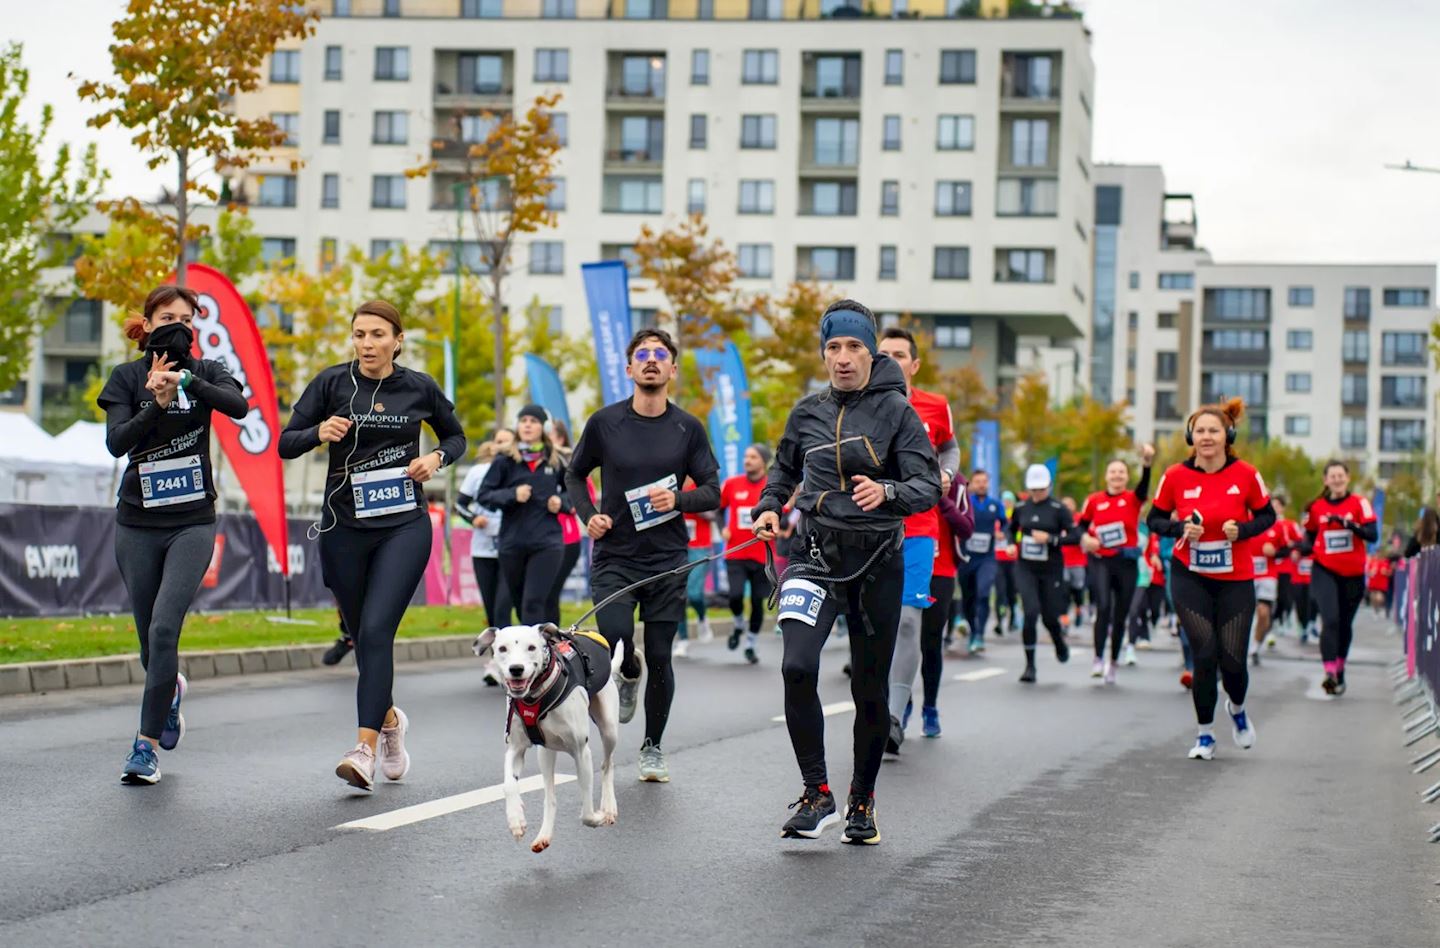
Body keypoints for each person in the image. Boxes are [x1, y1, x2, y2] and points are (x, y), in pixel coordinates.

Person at [752, 299, 939, 845]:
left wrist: (889, 491)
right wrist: (769, 505)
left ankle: (862, 800)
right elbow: (784, 470)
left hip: (878, 559)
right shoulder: (806, 411)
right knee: (796, 667)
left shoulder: (897, 413)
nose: (842, 357)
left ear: (871, 351)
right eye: (833, 347)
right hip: (813, 553)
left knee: (869, 688)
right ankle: (817, 794)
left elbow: (926, 485)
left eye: (854, 346)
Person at [280, 300, 466, 790]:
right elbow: (285, 442)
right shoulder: (330, 383)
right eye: (359, 334)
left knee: (378, 629)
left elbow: (456, 435)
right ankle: (390, 723)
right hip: (344, 525)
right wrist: (318, 431)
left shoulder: (419, 387)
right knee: (364, 636)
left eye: (377, 334)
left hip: (402, 524)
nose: (367, 344)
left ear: (397, 340)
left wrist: (437, 458)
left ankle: (361, 749)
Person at [99, 285, 249, 785]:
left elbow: (239, 406)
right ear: (147, 321)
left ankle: (143, 749)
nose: (177, 325)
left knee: (166, 629)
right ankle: (170, 692)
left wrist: (187, 382)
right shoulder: (126, 377)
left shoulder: (205, 371)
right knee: (149, 642)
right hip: (137, 523)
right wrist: (156, 404)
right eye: (167, 316)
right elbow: (117, 443)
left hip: (191, 521)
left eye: (187, 319)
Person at [565, 328, 720, 783]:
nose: (651, 361)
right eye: (642, 355)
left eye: (660, 355)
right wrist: (588, 515)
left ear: (672, 369)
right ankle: (625, 672)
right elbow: (575, 475)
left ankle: (653, 747)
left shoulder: (687, 428)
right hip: (615, 554)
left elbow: (712, 489)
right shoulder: (604, 423)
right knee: (616, 642)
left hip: (668, 558)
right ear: (629, 369)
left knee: (660, 654)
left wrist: (680, 501)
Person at [1146, 398, 1273, 760]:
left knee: (1232, 660)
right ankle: (1204, 735)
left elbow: (1267, 518)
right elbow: (1152, 520)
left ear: (1227, 435)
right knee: (1204, 654)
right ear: (1190, 435)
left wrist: (1243, 530)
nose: (1206, 437)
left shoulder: (1246, 474)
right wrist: (1178, 528)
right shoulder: (1175, 476)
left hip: (1235, 578)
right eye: (1199, 430)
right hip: (1191, 575)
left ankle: (1237, 708)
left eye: (1213, 431)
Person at [875, 328, 960, 753]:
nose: (890, 359)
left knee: (910, 620)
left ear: (914, 364)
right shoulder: (860, 404)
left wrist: (945, 474)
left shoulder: (935, 405)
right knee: (874, 624)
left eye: (898, 354)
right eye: (883, 353)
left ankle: (893, 716)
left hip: (920, 526)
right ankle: (877, 703)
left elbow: (951, 448)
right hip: (870, 526)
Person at [475, 405, 569, 623]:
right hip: (512, 543)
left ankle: (535, 656)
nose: (528, 424)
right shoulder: (505, 460)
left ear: (543, 428)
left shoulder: (556, 460)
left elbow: (574, 492)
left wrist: (561, 502)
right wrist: (511, 494)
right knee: (519, 605)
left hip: (547, 542)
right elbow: (484, 495)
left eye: (534, 421)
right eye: (523, 420)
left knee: (533, 603)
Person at [1076, 444, 1155, 684]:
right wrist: (1086, 538)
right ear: (1106, 476)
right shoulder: (1094, 500)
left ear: (1126, 477)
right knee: (1103, 607)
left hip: (1126, 562)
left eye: (1121, 472)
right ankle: (1098, 658)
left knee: (1121, 614)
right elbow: (1080, 526)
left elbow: (1144, 488)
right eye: (1113, 472)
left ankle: (1113, 661)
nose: (1117, 475)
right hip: (1101, 561)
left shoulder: (1132, 499)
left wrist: (1147, 465)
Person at [1301, 461, 1377, 696]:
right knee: (1330, 619)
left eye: (1340, 475)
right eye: (1332, 476)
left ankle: (1340, 668)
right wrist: (1299, 548)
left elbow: (1372, 535)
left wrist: (1347, 524)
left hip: (1353, 573)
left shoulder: (1359, 503)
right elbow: (1309, 537)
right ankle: (1330, 672)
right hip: (1324, 569)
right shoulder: (1317, 507)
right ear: (1325, 480)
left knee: (1344, 624)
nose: (1336, 479)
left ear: (1348, 478)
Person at [1011, 466, 1080, 683]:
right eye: (1033, 489)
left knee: (1050, 616)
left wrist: (1051, 540)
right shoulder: (1021, 507)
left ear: (1048, 486)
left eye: (1041, 489)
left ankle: (1058, 641)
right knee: (1030, 612)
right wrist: (1013, 544)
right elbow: (1011, 529)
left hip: (1051, 569)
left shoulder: (1059, 508)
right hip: (1026, 567)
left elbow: (1075, 536)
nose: (1037, 493)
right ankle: (1030, 665)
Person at [918, 475, 973, 737]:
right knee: (899, 640)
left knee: (931, 642)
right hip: (907, 568)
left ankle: (930, 707)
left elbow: (966, 528)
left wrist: (943, 499)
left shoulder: (958, 483)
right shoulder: (901, 464)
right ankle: (899, 708)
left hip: (941, 571)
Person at [717, 444, 774, 664]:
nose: (747, 460)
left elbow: (785, 513)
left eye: (753, 457)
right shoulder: (732, 484)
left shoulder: (771, 487)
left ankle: (751, 643)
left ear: (764, 462)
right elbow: (718, 509)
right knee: (735, 595)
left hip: (762, 554)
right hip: (735, 552)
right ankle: (739, 622)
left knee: (758, 602)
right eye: (745, 456)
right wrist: (723, 525)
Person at [455, 430, 516, 630]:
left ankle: (509, 658)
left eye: (508, 442)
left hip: (511, 548)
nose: (503, 446)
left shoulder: (520, 470)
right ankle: (497, 655)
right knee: (491, 610)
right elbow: (460, 504)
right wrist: (474, 519)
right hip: (482, 549)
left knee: (502, 609)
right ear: (493, 445)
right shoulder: (478, 472)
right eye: (499, 441)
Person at [959, 469, 1007, 654]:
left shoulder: (995, 504)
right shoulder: (965, 503)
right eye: (978, 481)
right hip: (966, 557)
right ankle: (972, 629)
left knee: (984, 592)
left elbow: (1005, 523)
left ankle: (979, 634)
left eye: (984, 481)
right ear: (971, 484)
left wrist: (1003, 532)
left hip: (987, 558)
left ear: (988, 483)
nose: (981, 484)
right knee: (968, 598)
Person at [544, 418, 584, 621]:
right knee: (539, 595)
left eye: (547, 432)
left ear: (559, 438)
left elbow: (585, 496)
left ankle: (550, 643)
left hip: (566, 539)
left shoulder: (569, 464)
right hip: (539, 536)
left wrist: (560, 501)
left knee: (549, 593)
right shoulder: (534, 461)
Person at [678, 478, 719, 657]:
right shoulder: (670, 484)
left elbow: (712, 514)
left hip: (699, 547)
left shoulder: (703, 485)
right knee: (677, 595)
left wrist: (687, 500)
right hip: (676, 546)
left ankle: (702, 618)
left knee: (694, 593)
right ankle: (683, 640)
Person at [1060, 497, 1090, 633]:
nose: (1066, 507)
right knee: (1064, 592)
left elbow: (1084, 536)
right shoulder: (1057, 519)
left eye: (1069, 504)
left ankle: (1079, 609)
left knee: (1077, 590)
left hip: (1078, 561)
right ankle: (1065, 620)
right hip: (1062, 562)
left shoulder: (1079, 519)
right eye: (1064, 505)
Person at [993, 490, 1020, 636]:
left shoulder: (1016, 518)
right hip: (998, 559)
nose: (1006, 503)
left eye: (1009, 500)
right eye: (1004, 500)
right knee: (1000, 592)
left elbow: (1019, 535)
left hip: (1013, 560)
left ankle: (1013, 618)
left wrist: (1012, 537)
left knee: (1011, 592)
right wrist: (995, 534)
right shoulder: (998, 518)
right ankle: (999, 622)